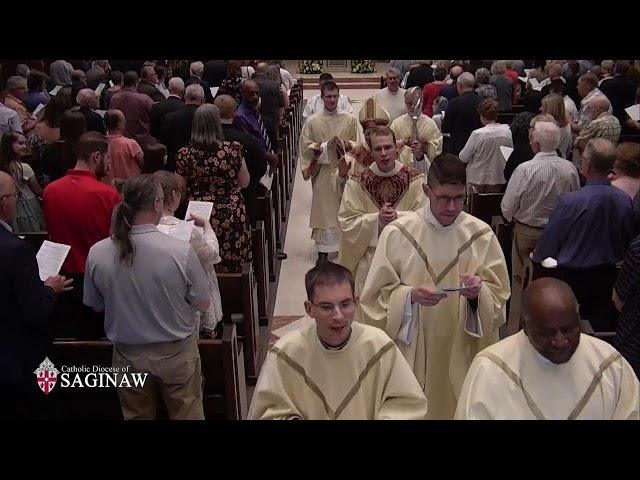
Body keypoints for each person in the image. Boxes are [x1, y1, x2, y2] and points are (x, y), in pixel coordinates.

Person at [359, 153, 510, 419]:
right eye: (444, 198)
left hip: (462, 345)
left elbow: (499, 298)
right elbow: (373, 301)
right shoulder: (398, 233)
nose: (452, 207)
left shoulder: (481, 235)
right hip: (414, 347)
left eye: (459, 198)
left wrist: (478, 294)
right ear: (427, 190)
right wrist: (408, 297)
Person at [84, 174, 210, 420]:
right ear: (156, 204)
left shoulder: (98, 252)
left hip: (128, 354)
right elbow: (202, 302)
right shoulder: (179, 251)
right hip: (176, 354)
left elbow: (95, 304)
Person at [248, 262, 429, 420]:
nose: (338, 316)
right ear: (309, 309)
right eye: (326, 307)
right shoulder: (286, 353)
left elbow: (407, 403)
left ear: (356, 303)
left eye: (345, 304)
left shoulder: (378, 346)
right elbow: (268, 411)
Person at [455, 278, 640, 420]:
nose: (560, 341)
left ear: (578, 318)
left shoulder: (611, 365)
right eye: (547, 333)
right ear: (525, 327)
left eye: (569, 329)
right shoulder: (490, 369)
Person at [533, 138, 634, 331]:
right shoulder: (624, 200)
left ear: (587, 164)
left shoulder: (571, 201)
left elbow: (548, 244)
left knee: (569, 329)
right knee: (601, 332)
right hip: (609, 278)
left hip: (572, 279)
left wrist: (537, 257)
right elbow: (627, 240)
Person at [0, 171, 72, 419]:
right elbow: (36, 311)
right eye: (16, 194)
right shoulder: (17, 250)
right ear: (4, 202)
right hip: (18, 362)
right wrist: (51, 289)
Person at [501, 121, 580, 334]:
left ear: (534, 145)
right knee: (555, 281)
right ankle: (551, 325)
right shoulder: (570, 168)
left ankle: (517, 330)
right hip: (558, 235)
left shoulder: (525, 169)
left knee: (520, 282)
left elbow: (507, 207)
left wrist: (511, 219)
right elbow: (575, 200)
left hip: (527, 232)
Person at [338, 125, 426, 301]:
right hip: (371, 262)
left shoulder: (415, 179)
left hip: (406, 260)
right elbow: (346, 222)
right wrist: (376, 220)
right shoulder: (357, 182)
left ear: (396, 148)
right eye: (378, 149)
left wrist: (398, 217)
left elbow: (425, 217)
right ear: (371, 151)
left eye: (388, 147)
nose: (384, 153)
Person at [175, 104, 252, 273]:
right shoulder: (233, 149)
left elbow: (179, 188)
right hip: (230, 214)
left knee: (202, 263)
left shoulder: (184, 153)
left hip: (198, 214)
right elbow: (245, 182)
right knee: (233, 260)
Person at [299, 81, 361, 264]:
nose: (332, 100)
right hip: (323, 172)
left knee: (343, 206)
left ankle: (345, 246)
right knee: (324, 210)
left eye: (335, 96)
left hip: (345, 171)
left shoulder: (349, 119)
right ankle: (323, 251)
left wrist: (346, 144)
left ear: (339, 96)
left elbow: (358, 144)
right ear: (322, 97)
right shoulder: (313, 121)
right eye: (328, 96)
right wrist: (326, 146)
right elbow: (305, 146)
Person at [155, 170, 222, 338]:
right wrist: (206, 226)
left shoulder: (147, 229)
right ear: (172, 195)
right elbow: (212, 254)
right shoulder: (188, 231)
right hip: (189, 300)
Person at [459, 98, 513, 194]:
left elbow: (463, 157)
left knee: (474, 207)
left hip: (476, 178)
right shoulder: (507, 132)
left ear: (481, 115)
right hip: (497, 177)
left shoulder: (477, 134)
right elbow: (509, 154)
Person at [390, 87, 443, 174]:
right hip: (402, 169)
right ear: (405, 103)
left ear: (422, 102)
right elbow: (390, 145)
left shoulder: (431, 123)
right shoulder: (396, 123)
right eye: (409, 103)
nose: (413, 107)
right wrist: (403, 142)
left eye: (416, 103)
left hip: (424, 168)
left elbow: (437, 147)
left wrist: (425, 146)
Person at [0, 131, 45, 232]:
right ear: (9, 145)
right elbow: (38, 191)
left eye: (25, 143)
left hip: (7, 207)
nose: (25, 146)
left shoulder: (3, 167)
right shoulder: (24, 167)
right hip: (28, 206)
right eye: (20, 143)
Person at [103, 109, 144, 181]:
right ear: (119, 125)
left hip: (106, 187)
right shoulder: (130, 144)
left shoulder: (100, 143)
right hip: (127, 186)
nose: (126, 122)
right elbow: (142, 163)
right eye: (124, 120)